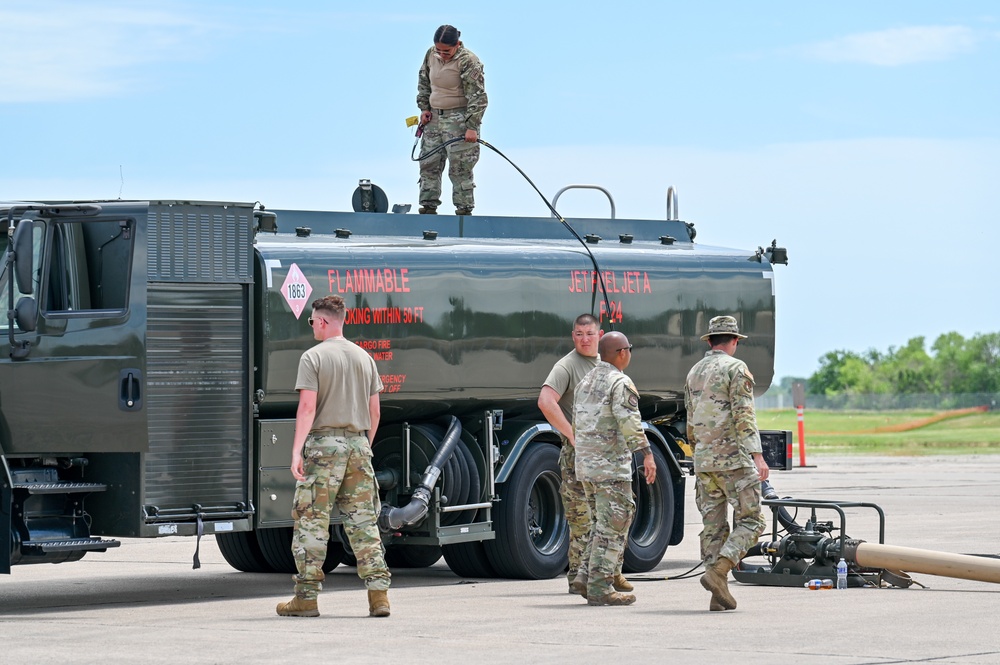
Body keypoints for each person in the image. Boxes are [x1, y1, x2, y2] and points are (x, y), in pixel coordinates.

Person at [276, 295, 392, 618]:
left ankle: (307, 598)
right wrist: (362, 444)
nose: (311, 326)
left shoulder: (312, 358)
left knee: (312, 521)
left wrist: (297, 450)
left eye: (312, 321)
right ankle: (379, 596)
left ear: (323, 321)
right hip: (358, 446)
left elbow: (308, 408)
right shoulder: (364, 358)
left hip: (324, 448)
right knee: (364, 521)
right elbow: (375, 412)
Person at [538, 315, 633, 596]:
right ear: (572, 336)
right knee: (583, 518)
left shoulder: (606, 364)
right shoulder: (567, 365)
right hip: (579, 456)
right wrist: (572, 435)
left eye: (589, 334)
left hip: (606, 455)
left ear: (600, 335)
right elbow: (545, 401)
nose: (584, 339)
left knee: (615, 515)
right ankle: (579, 578)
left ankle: (611, 572)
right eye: (579, 334)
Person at [684, 315, 769, 612]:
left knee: (713, 527)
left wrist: (700, 454)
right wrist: (757, 455)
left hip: (705, 461)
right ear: (734, 341)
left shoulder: (694, 372)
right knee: (753, 520)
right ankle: (719, 572)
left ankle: (716, 595)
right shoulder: (736, 368)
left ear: (709, 341)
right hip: (734, 459)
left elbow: (691, 421)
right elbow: (743, 414)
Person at [573, 331, 657, 606]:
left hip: (586, 466)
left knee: (600, 525)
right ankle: (599, 588)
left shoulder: (585, 380)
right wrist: (646, 453)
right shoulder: (619, 382)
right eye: (629, 349)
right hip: (610, 468)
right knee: (613, 527)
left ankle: (585, 576)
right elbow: (629, 422)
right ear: (622, 353)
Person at [416, 24, 488, 216]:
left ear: (457, 44)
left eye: (446, 51)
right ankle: (428, 207)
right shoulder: (431, 55)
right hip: (433, 119)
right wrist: (424, 108)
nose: (442, 54)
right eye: (438, 50)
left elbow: (478, 97)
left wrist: (472, 127)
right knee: (428, 163)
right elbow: (424, 81)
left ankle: (463, 211)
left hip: (459, 120)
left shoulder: (468, 61)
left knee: (460, 168)